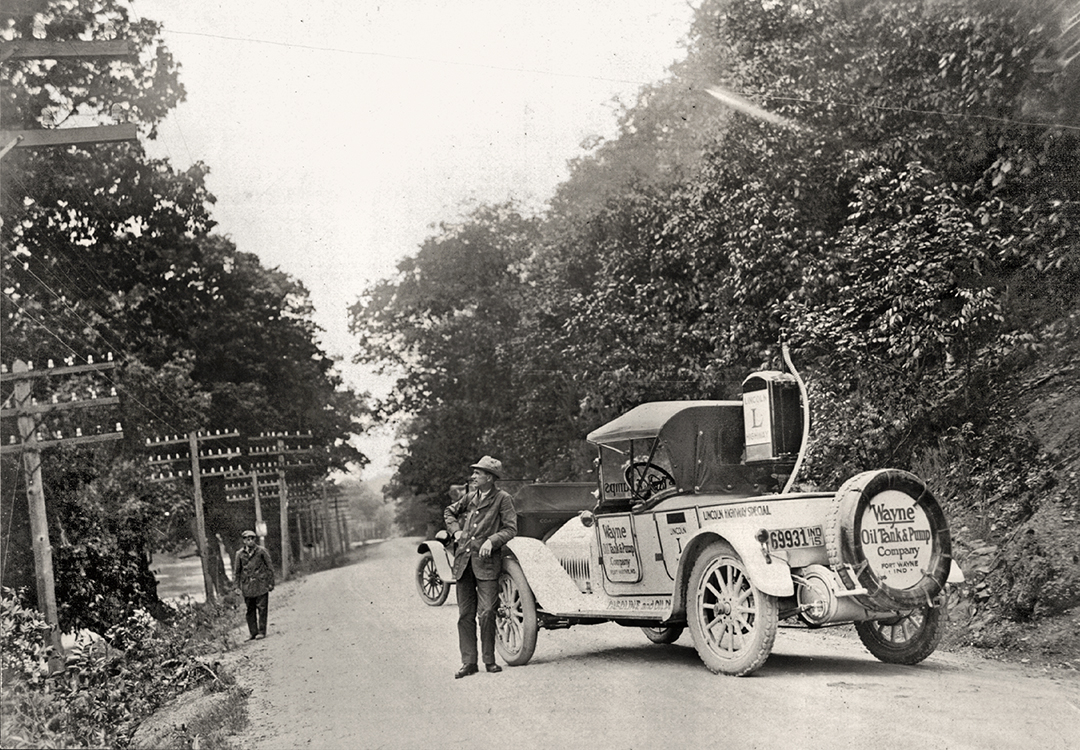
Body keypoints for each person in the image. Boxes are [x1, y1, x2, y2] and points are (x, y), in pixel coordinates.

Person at [443, 456, 517, 678]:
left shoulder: (503, 499)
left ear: (490, 477)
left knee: (486, 613)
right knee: (465, 614)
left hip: (486, 564)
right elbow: (449, 512)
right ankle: (468, 662)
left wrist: (491, 541)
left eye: (478, 473)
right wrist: (456, 531)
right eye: (474, 473)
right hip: (464, 563)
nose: (473, 477)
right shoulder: (470, 497)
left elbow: (511, 529)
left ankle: (489, 660)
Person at [235, 530, 275, 640]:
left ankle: (262, 631)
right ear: (244, 541)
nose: (250, 541)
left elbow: (270, 567)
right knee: (250, 610)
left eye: (252, 538)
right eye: (248, 539)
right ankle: (253, 632)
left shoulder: (261, 551)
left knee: (262, 609)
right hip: (247, 586)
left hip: (261, 584)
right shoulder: (239, 554)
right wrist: (237, 587)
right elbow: (237, 572)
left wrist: (271, 583)